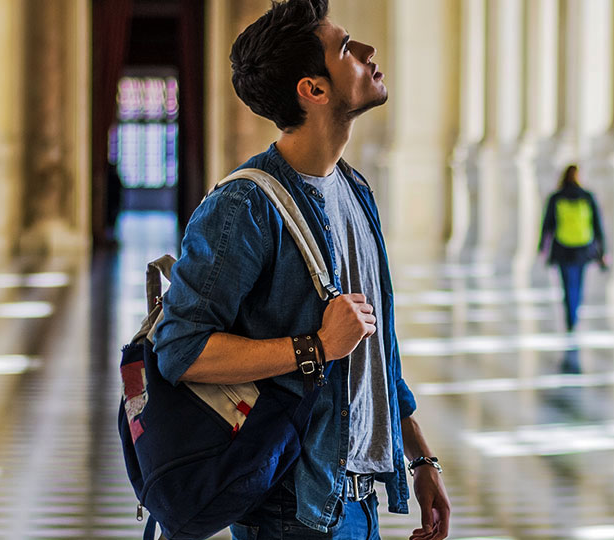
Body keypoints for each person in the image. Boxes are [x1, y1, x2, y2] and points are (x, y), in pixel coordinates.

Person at [151, 1, 450, 538]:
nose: (367, 52)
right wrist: (313, 347)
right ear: (312, 90)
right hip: (291, 507)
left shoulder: (355, 190)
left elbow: (380, 350)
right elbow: (179, 349)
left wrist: (421, 458)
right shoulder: (244, 206)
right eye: (345, 48)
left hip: (357, 498)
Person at [538, 165, 608, 333]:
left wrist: (542, 247)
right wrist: (603, 250)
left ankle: (569, 316)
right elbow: (597, 226)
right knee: (579, 283)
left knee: (567, 284)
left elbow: (547, 225)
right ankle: (575, 315)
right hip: (582, 248)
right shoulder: (587, 197)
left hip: (562, 247)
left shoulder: (556, 197)